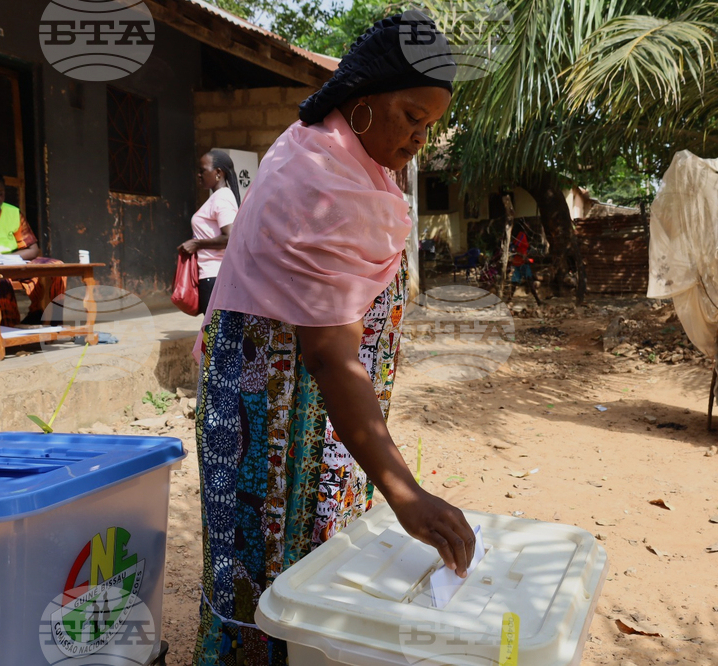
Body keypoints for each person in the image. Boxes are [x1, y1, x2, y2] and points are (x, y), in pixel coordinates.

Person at [192, 14, 474, 665]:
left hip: (327, 412)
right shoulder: (317, 180)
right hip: (272, 407)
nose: (417, 136)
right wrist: (406, 492)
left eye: (427, 124)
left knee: (318, 574)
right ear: (361, 98)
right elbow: (326, 350)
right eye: (409, 114)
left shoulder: (348, 159)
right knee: (265, 580)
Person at [0, 162, 65, 326]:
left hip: (11, 263)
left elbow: (32, 249)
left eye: (1, 193)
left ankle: (46, 318)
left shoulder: (12, 212)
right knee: (0, 281)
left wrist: (4, 257)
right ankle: (8, 326)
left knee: (57, 267)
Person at [178, 150, 241, 314]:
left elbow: (230, 238)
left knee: (214, 334)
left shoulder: (222, 197)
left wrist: (197, 244)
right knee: (215, 334)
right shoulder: (217, 197)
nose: (198, 175)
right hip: (213, 276)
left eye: (202, 171)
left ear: (218, 172)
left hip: (215, 277)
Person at [510, 230, 542, 305]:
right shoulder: (521, 235)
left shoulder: (523, 239)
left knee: (515, 282)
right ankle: (538, 300)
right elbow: (515, 248)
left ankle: (510, 298)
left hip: (519, 263)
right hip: (521, 263)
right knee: (528, 282)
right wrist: (523, 256)